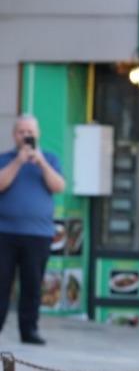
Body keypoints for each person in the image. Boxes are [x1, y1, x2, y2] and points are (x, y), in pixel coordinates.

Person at [0, 113, 66, 345]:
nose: (26, 136)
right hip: (5, 233)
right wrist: (19, 161)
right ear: (14, 135)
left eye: (30, 132)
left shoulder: (50, 158)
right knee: (2, 283)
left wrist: (41, 162)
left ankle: (29, 330)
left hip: (38, 234)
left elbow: (58, 186)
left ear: (38, 134)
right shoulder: (5, 158)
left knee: (32, 285)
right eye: (22, 132)